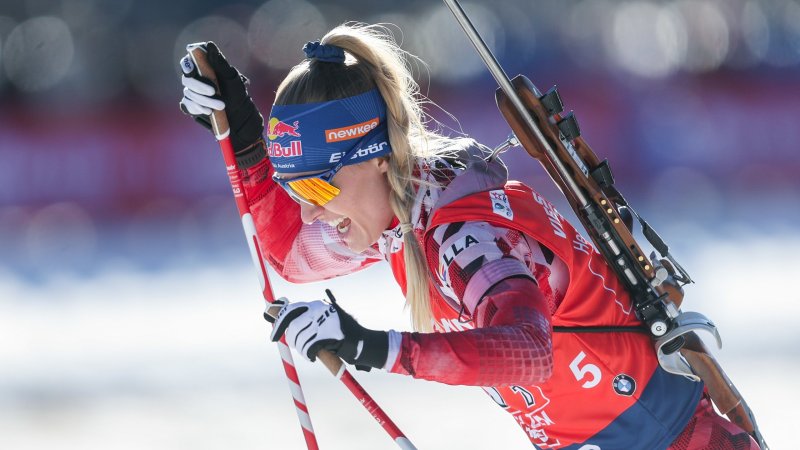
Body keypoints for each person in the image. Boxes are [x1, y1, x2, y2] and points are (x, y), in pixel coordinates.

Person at [179, 23, 759, 450]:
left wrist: (376, 347)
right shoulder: (407, 212)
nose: (308, 213)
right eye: (295, 191)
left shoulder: (464, 233)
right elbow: (290, 255)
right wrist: (248, 144)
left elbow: (528, 351)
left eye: (317, 188)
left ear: (375, 158)